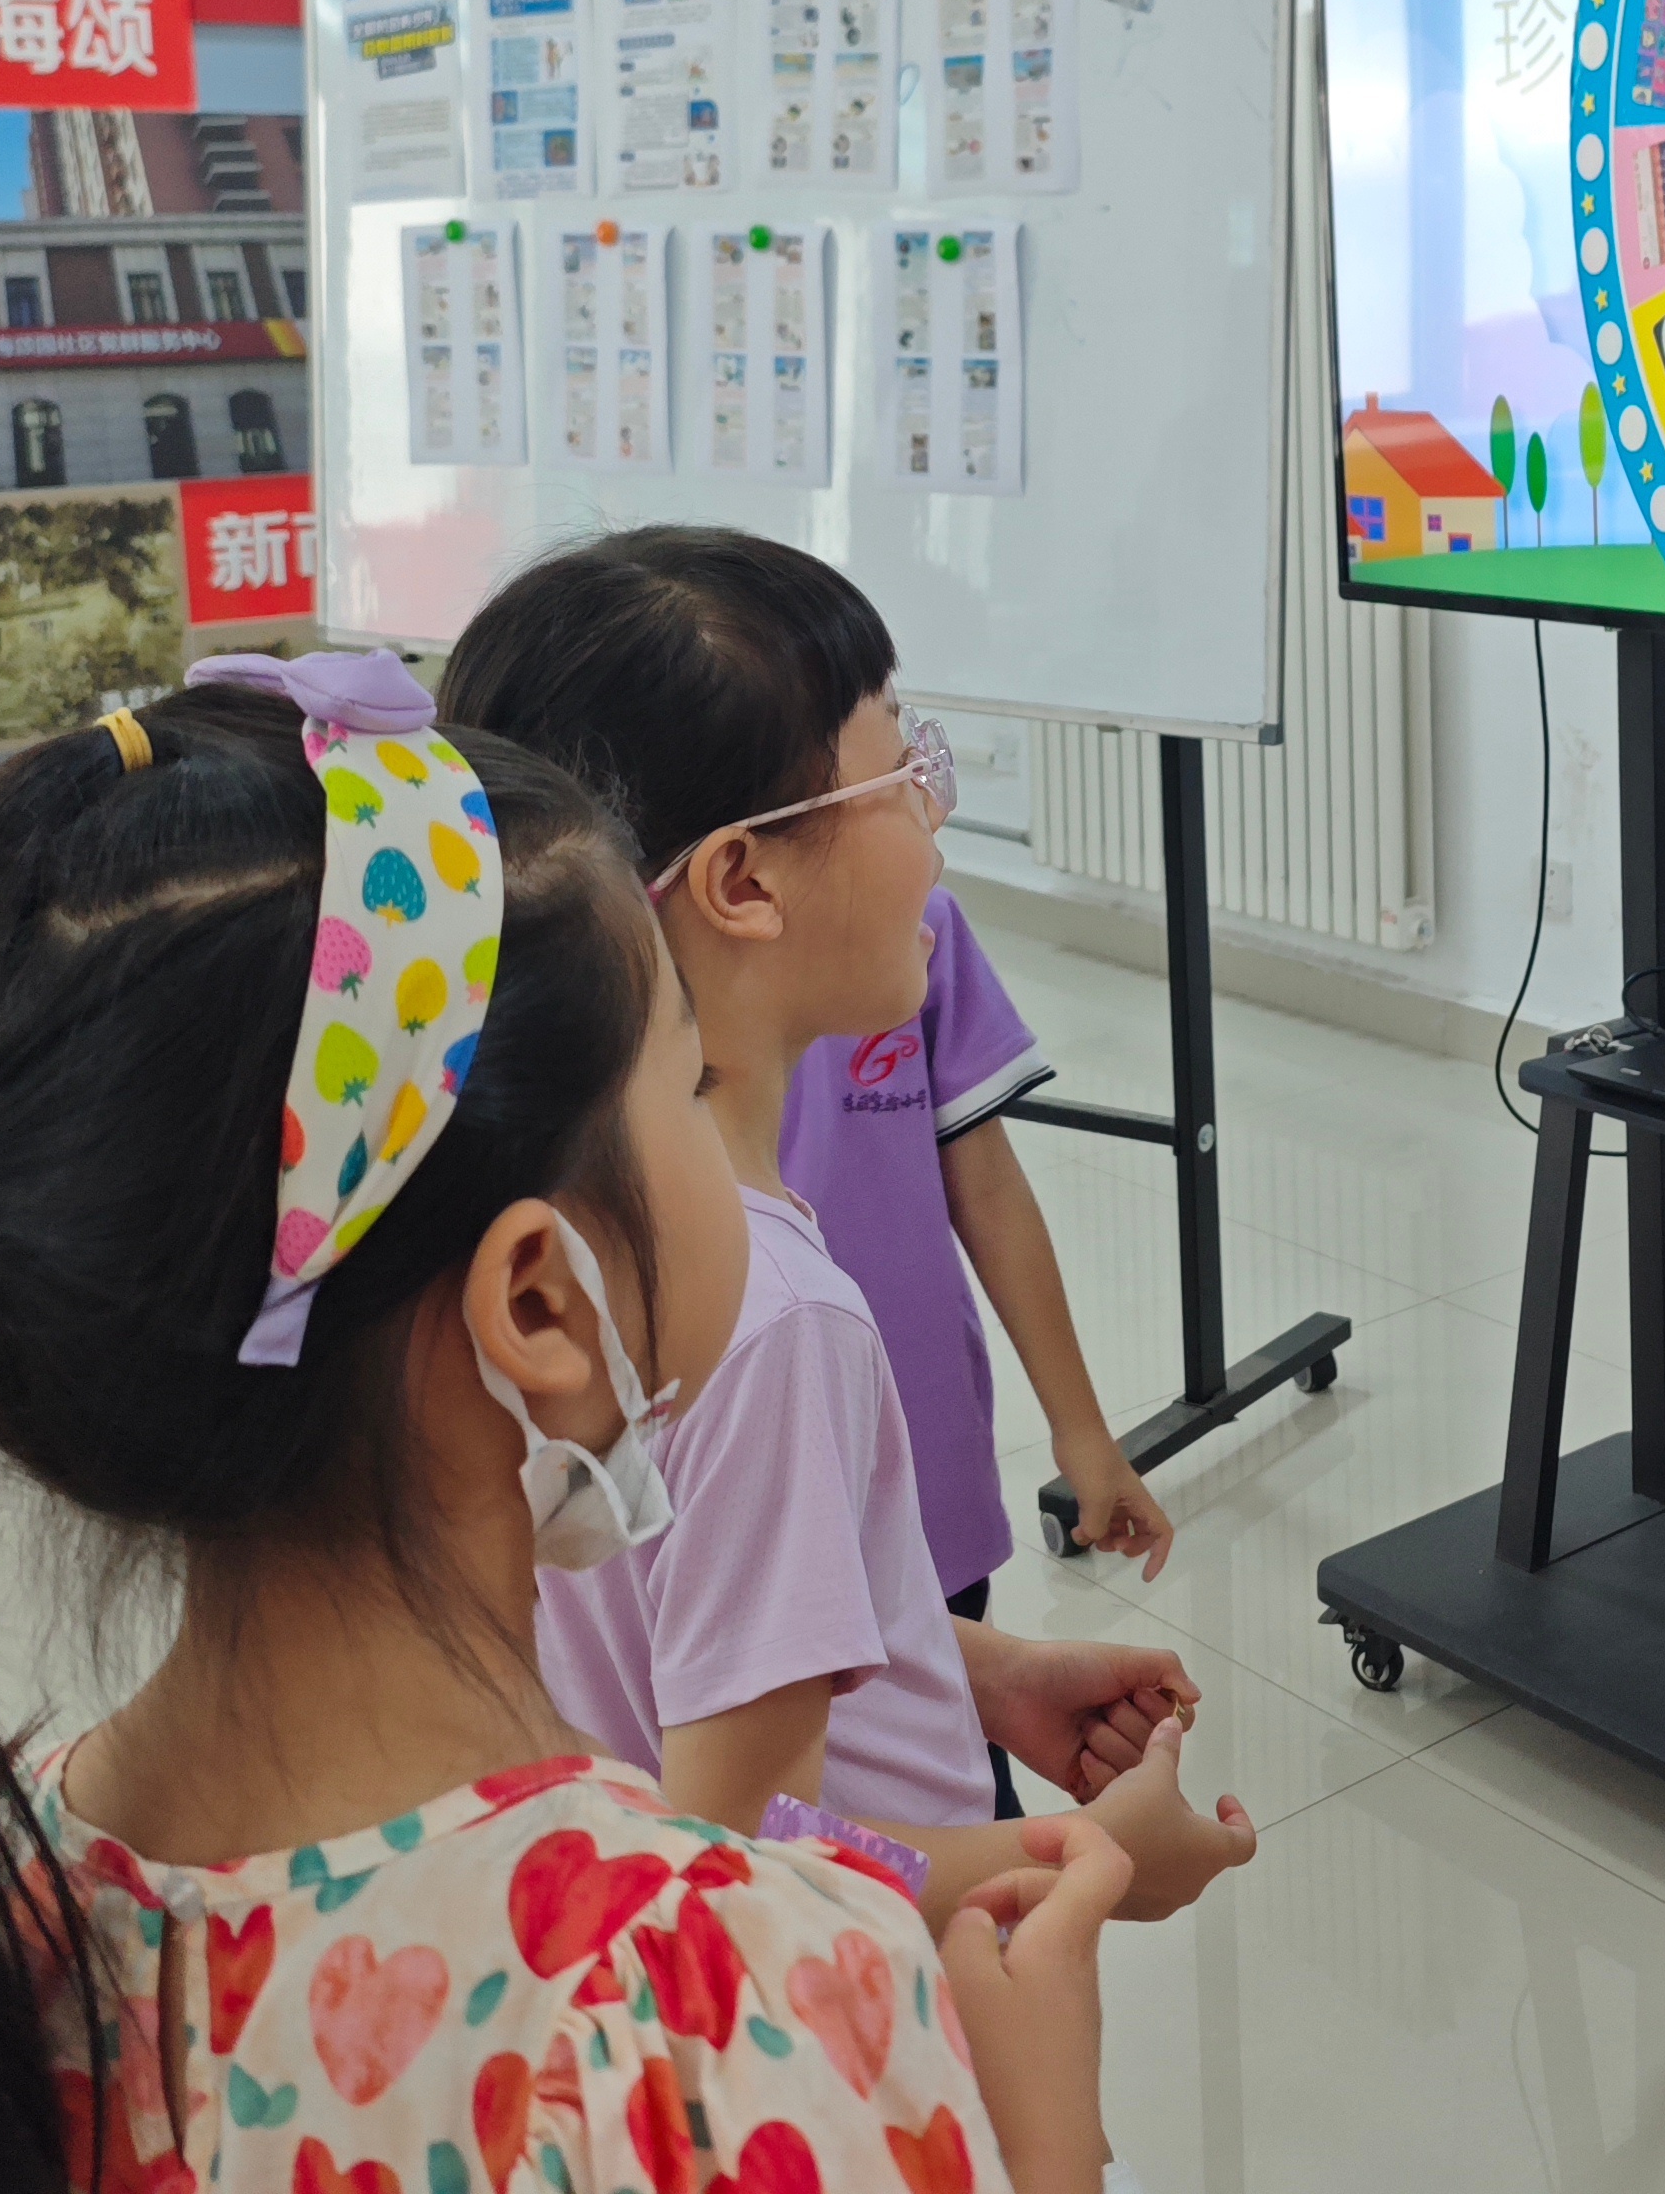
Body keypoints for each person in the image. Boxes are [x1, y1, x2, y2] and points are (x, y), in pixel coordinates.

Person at [0, 656, 1128, 2194]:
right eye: (684, 1076)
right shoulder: (718, 2000)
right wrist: (1042, 2140)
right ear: (538, 1304)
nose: (718, 1108)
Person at [443, 530, 1258, 1904]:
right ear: (743, 882)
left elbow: (677, 1647)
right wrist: (1099, 1860)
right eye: (904, 768)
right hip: (848, 2042)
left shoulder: (534, 1242)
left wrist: (978, 1673)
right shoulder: (769, 1324)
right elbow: (740, 1886)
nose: (934, 813)